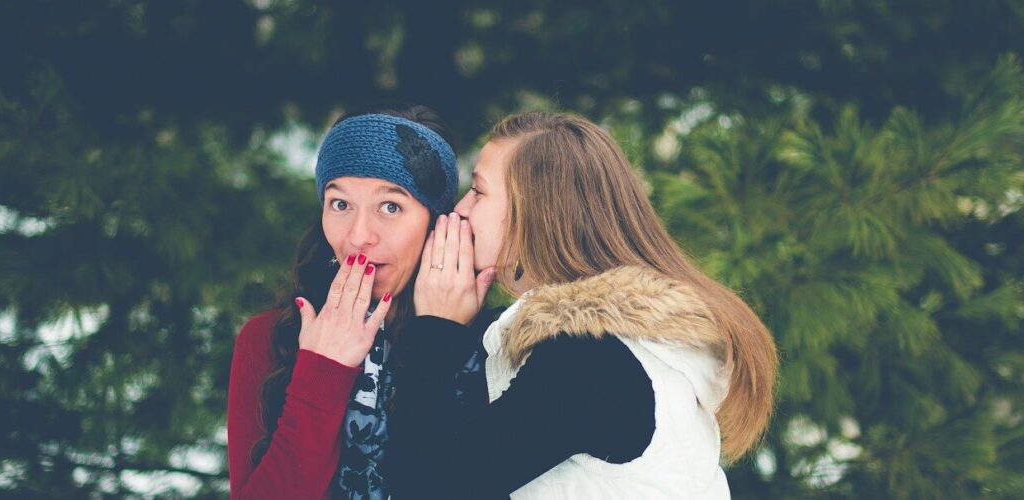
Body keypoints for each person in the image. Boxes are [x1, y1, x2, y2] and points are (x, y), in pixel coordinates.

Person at [389, 111, 780, 499]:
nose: (460, 209)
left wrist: (435, 333)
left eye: (478, 191)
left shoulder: (588, 361)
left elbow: (427, 487)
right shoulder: (616, 347)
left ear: (534, 213)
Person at [226, 105, 490, 500]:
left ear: (436, 224)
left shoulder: (487, 342)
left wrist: (439, 337)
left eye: (390, 206)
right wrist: (322, 371)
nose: (359, 236)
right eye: (340, 204)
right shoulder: (268, 339)